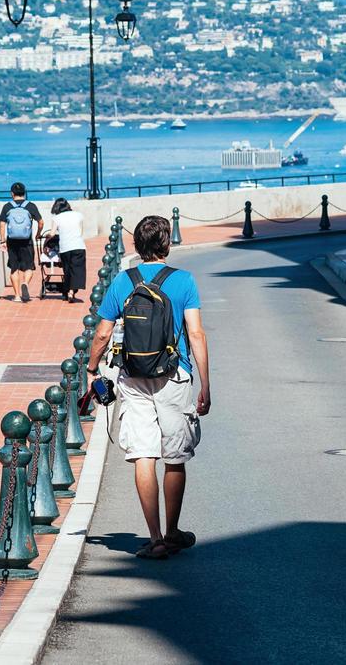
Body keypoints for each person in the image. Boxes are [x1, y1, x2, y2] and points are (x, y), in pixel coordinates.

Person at [87, 214, 210, 560]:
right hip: (174, 375)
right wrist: (205, 385)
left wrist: (92, 367)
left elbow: (101, 333)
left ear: (137, 246)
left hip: (133, 377)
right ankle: (172, 532)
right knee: (175, 456)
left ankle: (154, 537)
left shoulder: (122, 282)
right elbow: (196, 334)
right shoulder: (184, 282)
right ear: (167, 244)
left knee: (144, 454)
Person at [0, 182, 44, 303]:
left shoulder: (7, 206)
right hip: (26, 240)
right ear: (24, 193)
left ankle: (17, 296)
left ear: (12, 194)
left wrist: (2, 241)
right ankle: (25, 283)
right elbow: (41, 222)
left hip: (12, 241)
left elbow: (2, 225)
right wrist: (38, 233)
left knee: (14, 268)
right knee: (29, 267)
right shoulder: (30, 206)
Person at [47, 198, 86, 303]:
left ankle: (68, 290)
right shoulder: (78, 215)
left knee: (67, 270)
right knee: (77, 270)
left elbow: (52, 233)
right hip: (78, 245)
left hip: (65, 247)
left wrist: (46, 236)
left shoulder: (57, 218)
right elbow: (81, 231)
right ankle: (72, 291)